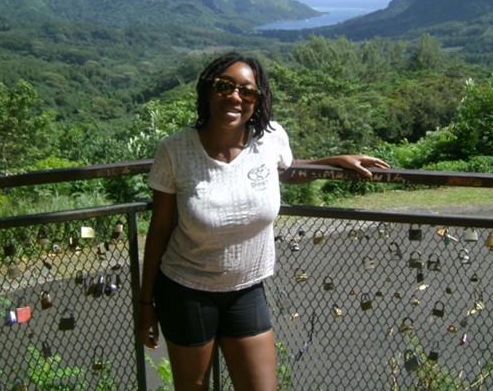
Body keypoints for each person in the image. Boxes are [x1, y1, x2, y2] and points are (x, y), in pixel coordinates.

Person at [137, 52, 389, 391]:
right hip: (187, 291)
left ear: (258, 100)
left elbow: (287, 170)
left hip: (246, 290)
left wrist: (334, 162)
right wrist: (145, 303)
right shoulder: (176, 151)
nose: (235, 97)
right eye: (225, 86)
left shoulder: (268, 139)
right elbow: (160, 229)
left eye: (248, 91)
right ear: (208, 91)